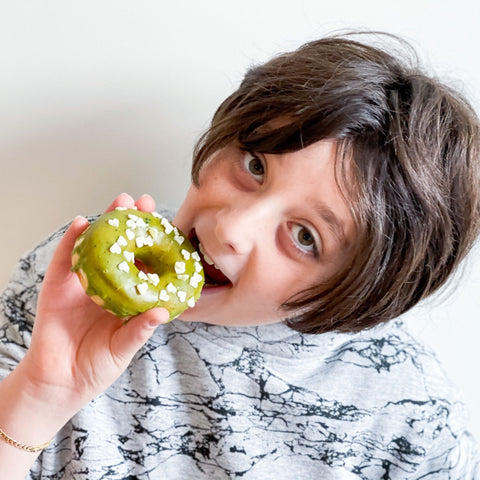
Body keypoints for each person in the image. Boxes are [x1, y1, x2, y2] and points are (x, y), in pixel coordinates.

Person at [0, 32, 479, 479]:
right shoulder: (75, 275)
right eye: (254, 165)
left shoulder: (414, 421)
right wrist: (38, 397)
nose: (231, 227)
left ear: (362, 296)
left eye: (304, 236)